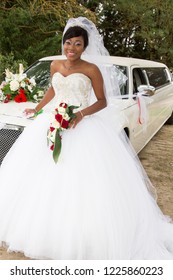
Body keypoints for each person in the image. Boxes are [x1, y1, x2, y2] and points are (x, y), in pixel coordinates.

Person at [0, 17, 173, 260]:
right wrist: (37, 108)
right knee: (42, 175)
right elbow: (53, 89)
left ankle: (78, 235)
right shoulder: (55, 66)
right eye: (68, 43)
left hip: (83, 127)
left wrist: (80, 114)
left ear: (85, 46)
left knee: (81, 181)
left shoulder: (91, 69)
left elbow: (102, 101)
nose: (71, 48)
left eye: (77, 44)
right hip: (52, 122)